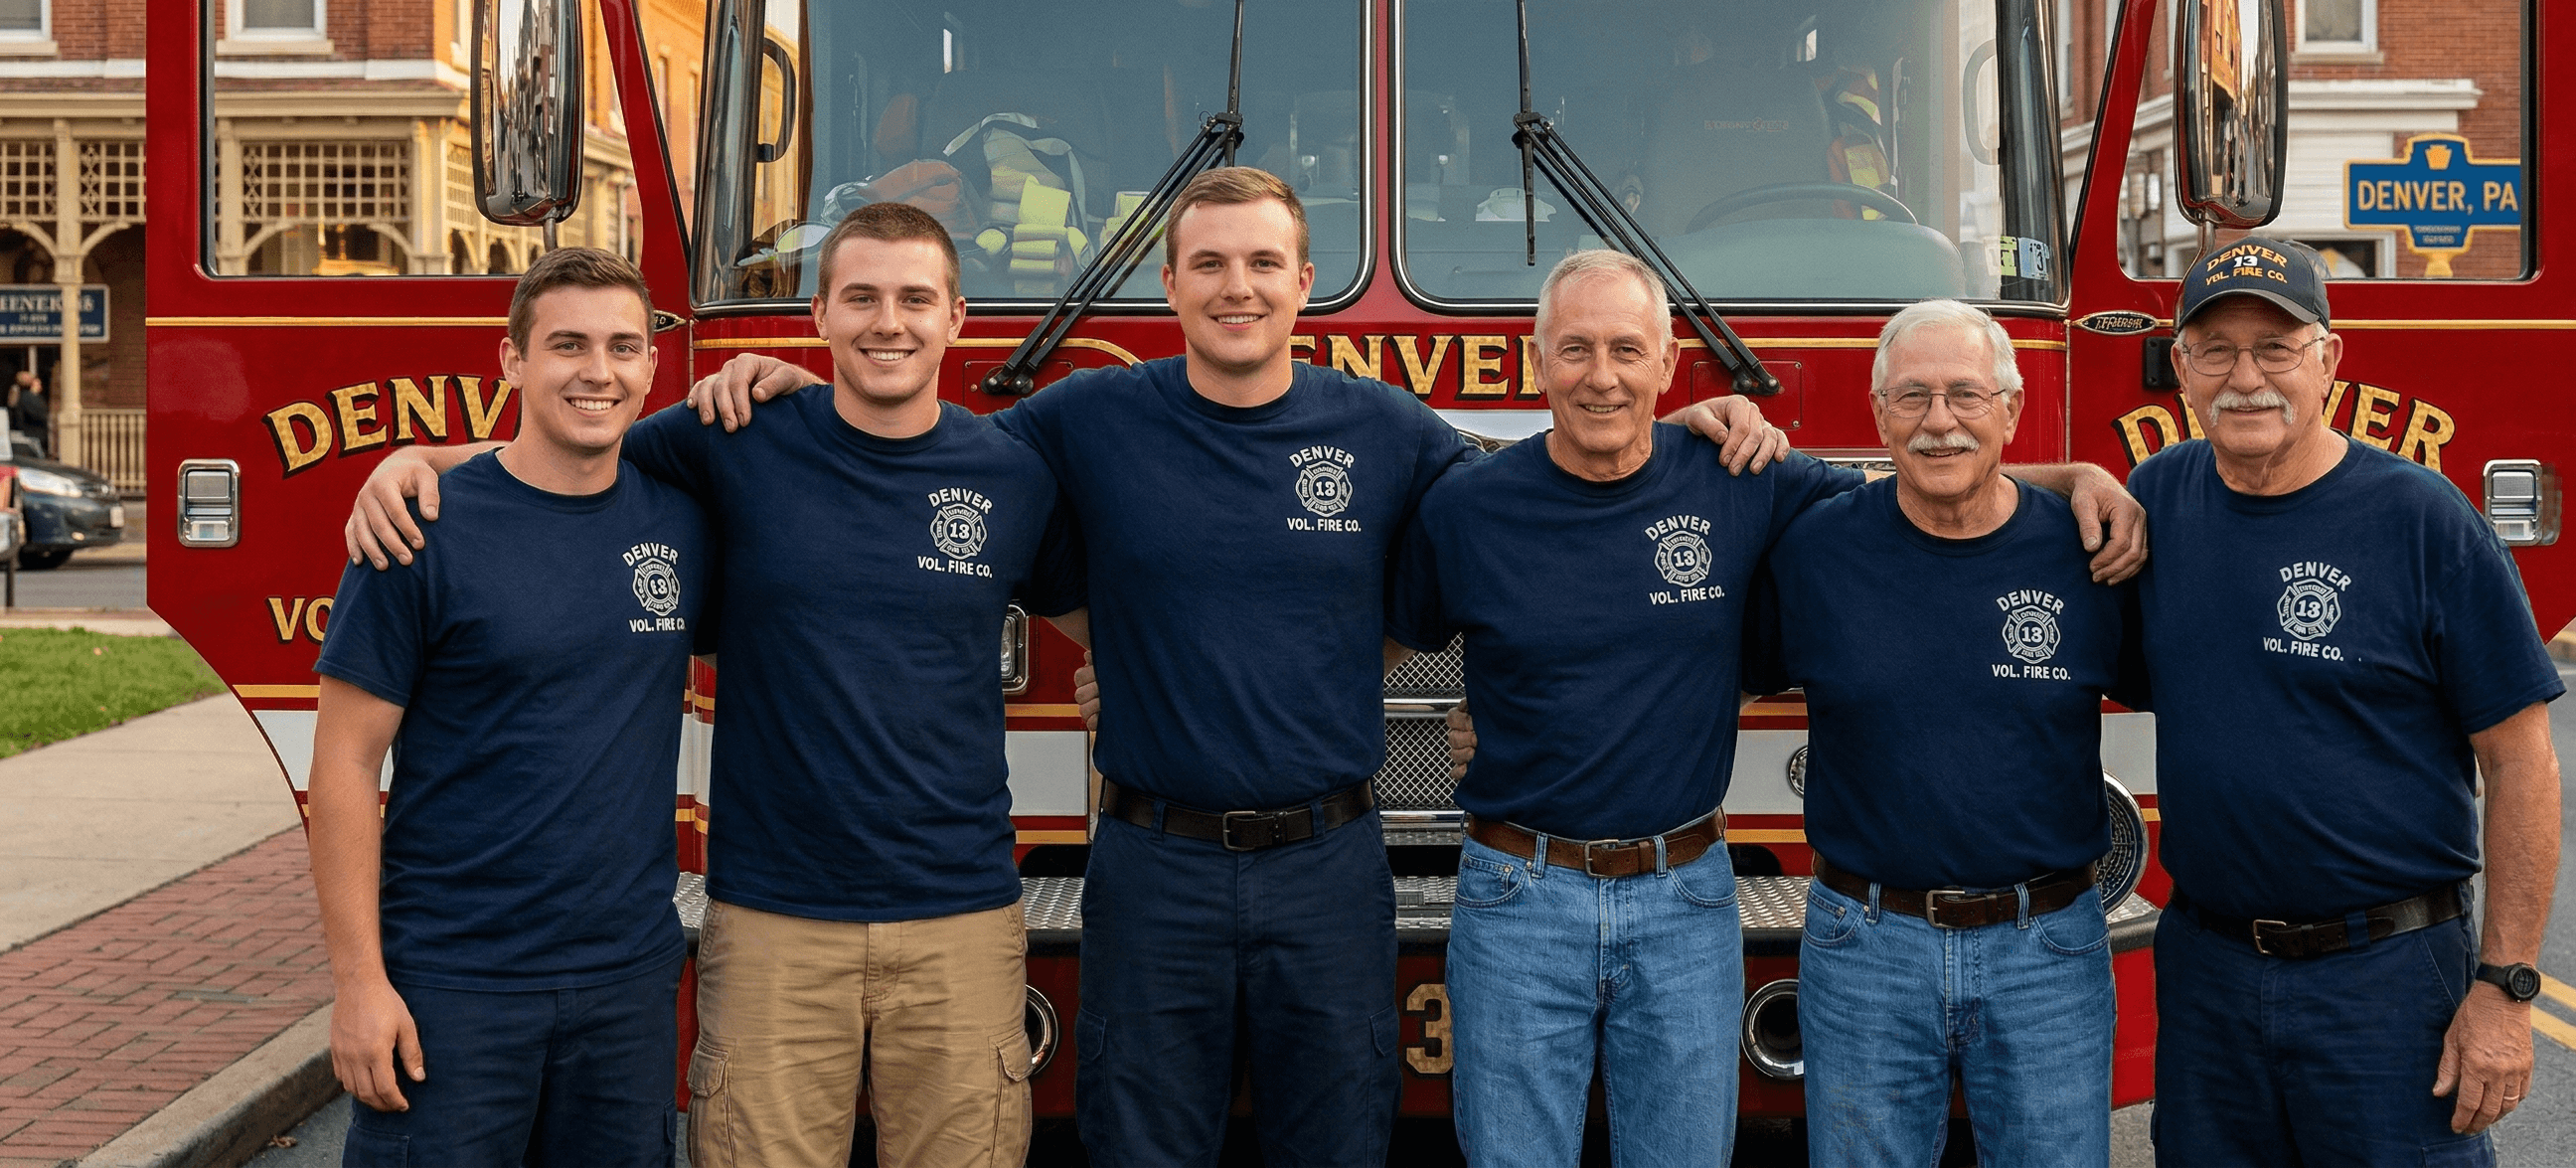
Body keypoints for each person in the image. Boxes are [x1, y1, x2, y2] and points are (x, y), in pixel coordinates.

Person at [692, 168, 1807, 1168]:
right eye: (1211, 264)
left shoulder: (1387, 428)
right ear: (1169, 285)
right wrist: (793, 396)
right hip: (1149, 859)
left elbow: (1545, 510)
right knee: (1141, 1138)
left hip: (1327, 864)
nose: (1239, 287)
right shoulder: (1079, 420)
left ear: (1304, 282)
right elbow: (923, 451)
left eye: (1264, 262)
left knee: (1335, 1136)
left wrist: (1681, 440)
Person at [343, 205, 1084, 1168]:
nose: (887, 323)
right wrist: (418, 462)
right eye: (859, 297)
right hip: (772, 920)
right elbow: (564, 460)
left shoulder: (1013, 475)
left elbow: (1106, 629)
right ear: (817, 315)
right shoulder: (733, 438)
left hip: (961, 919)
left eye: (913, 299)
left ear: (958, 318)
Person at [1386, 250, 1873, 1166]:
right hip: (1516, 897)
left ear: (1666, 363)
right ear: (1538, 361)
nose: (1600, 377)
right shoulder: (1468, 508)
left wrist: (2078, 484)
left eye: (1625, 350)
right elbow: (1351, 650)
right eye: (1575, 350)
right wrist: (1144, 682)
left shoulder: (1740, 476)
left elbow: (1925, 510)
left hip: (1686, 899)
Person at [2129, 239, 2564, 1167]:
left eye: (2276, 347)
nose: (2246, 376)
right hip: (2208, 975)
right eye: (2217, 349)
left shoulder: (2424, 521)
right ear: (2182, 369)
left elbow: (2522, 762)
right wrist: (2076, 478)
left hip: (2388, 979)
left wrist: (2506, 989)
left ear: (2328, 358)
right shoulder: (2157, 499)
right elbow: (1989, 505)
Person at [310, 248, 711, 1165]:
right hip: (454, 985)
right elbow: (343, 767)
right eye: (567, 344)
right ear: (512, 361)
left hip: (627, 984)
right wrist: (358, 983)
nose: (598, 372)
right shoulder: (421, 527)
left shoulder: (681, 519)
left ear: (653, 364)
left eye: (622, 346)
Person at [1744, 299, 2136, 1167]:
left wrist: (2083, 477)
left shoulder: (2088, 552)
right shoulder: (1814, 549)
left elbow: (2209, 697)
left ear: (2011, 409)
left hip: (2048, 949)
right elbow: (1688, 670)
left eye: (1966, 395)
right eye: (1912, 398)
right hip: (1865, 948)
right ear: (1879, 413)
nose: (1939, 422)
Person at [11, 369, 46, 454]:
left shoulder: (32, 396)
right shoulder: (26, 396)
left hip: (34, 434)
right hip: (31, 435)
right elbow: (38, 414)